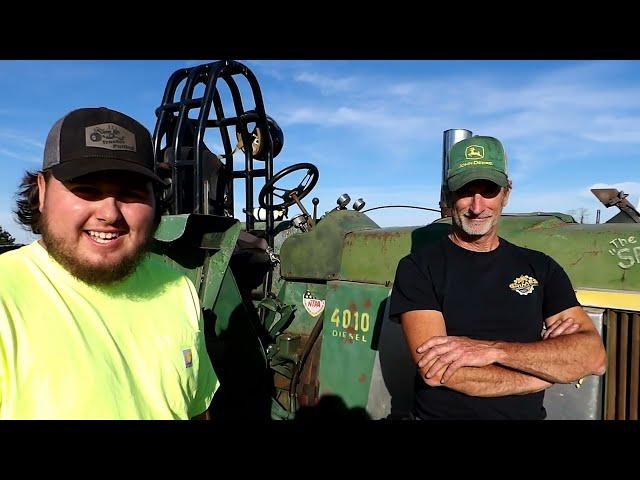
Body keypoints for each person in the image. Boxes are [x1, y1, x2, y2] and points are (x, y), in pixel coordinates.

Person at [0, 107, 218, 419]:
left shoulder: (177, 289)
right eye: (86, 190)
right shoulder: (6, 295)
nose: (110, 214)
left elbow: (197, 407)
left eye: (131, 194)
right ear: (44, 191)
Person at [389, 135, 606, 420]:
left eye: (488, 190)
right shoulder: (418, 268)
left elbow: (593, 358)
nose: (477, 207)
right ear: (447, 195)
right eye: (466, 191)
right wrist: (540, 376)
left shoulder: (540, 267)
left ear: (506, 192)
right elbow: (438, 373)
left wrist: (494, 351)